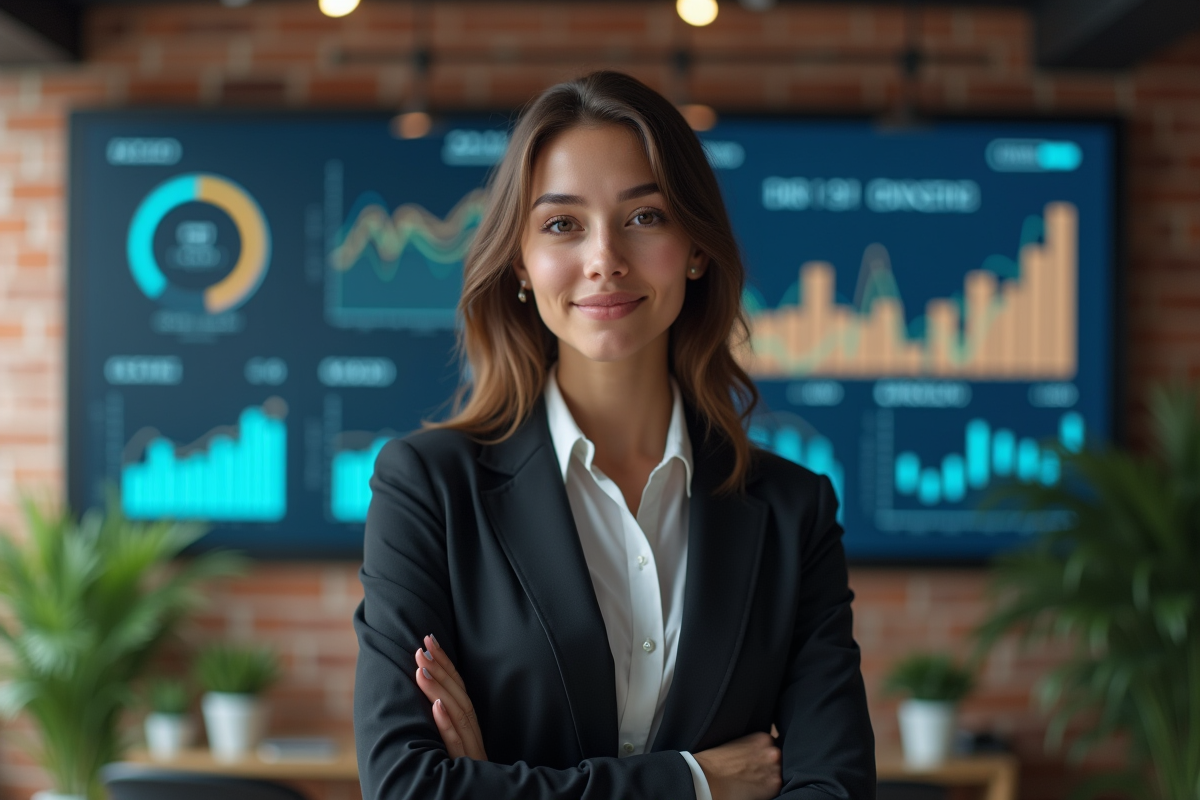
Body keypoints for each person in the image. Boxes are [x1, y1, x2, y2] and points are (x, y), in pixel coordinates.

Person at [353, 70, 875, 800]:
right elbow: (410, 787)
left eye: (646, 217)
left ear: (696, 249)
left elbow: (834, 789)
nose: (605, 258)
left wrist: (496, 783)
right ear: (522, 267)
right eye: (562, 224)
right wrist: (694, 784)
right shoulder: (428, 489)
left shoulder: (795, 512)